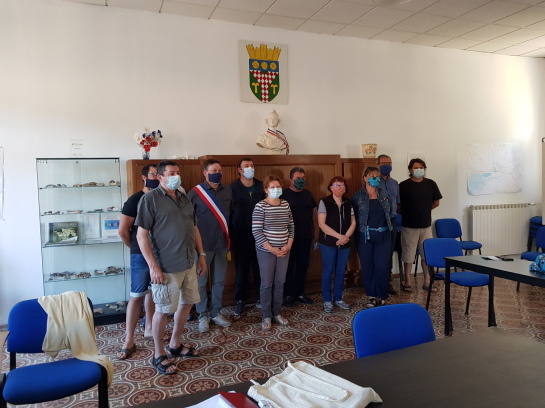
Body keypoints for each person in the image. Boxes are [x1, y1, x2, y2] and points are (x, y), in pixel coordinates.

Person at [136, 160, 207, 375]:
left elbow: (194, 228)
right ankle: (158, 354)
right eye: (171, 173)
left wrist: (201, 255)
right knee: (164, 309)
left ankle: (175, 344)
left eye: (178, 172)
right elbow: (141, 236)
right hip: (166, 266)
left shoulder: (184, 197)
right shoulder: (150, 199)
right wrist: (153, 267)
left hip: (188, 261)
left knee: (187, 303)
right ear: (160, 177)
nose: (176, 176)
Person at [117, 164, 158, 360]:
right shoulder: (135, 200)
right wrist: (135, 247)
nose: (156, 177)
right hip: (140, 254)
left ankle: (149, 327)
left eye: (158, 174)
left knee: (153, 291)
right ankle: (129, 340)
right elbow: (123, 231)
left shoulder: (162, 197)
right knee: (136, 295)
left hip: (159, 252)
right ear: (144, 177)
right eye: (153, 174)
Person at [187, 159, 232, 332]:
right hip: (202, 247)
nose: (217, 173)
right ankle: (202, 315)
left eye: (219, 170)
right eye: (214, 170)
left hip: (222, 244)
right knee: (201, 282)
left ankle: (216, 312)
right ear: (205, 173)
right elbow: (188, 219)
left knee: (219, 281)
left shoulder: (227, 190)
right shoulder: (195, 193)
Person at [252, 175, 294, 330]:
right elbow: (256, 231)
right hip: (266, 251)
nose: (276, 189)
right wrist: (272, 249)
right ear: (266, 190)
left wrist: (288, 245)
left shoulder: (286, 204)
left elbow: (291, 226)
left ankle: (277, 313)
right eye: (272, 187)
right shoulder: (260, 206)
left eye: (278, 187)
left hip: (284, 250)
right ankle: (266, 315)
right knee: (266, 284)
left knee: (280, 282)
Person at [398, 158, 442, 293]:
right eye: (416, 168)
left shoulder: (431, 184)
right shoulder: (403, 185)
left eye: (421, 167)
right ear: (410, 170)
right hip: (409, 226)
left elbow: (436, 202)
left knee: (426, 255)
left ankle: (427, 280)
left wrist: (424, 211)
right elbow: (397, 206)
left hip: (426, 225)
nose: (419, 170)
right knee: (408, 254)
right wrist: (410, 213)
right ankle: (407, 280)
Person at [352, 166, 393, 308]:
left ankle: (382, 295)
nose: (375, 178)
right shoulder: (357, 197)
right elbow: (353, 218)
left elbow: (390, 213)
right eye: (371, 176)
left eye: (377, 176)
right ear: (365, 178)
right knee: (368, 266)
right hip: (364, 236)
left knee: (382, 266)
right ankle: (371, 295)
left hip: (383, 235)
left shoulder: (385, 194)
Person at [230, 158, 265, 317]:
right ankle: (240, 300)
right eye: (246, 166)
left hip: (260, 234)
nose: (250, 168)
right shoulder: (233, 188)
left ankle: (260, 298)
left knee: (260, 268)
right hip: (240, 234)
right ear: (239, 170)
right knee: (242, 269)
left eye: (252, 165)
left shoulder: (261, 185)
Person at [317, 176, 356, 313]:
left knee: (340, 271)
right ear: (330, 187)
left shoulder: (348, 202)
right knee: (328, 271)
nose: (339, 187)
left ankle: (338, 298)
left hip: (345, 243)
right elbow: (321, 224)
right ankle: (327, 300)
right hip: (328, 242)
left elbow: (353, 222)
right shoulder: (324, 201)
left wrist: (346, 237)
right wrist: (339, 236)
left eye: (342, 185)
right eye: (336, 185)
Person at [281, 167, 318, 306]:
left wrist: (316, 233)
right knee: (288, 267)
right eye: (297, 178)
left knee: (303, 266)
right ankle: (288, 295)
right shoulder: (283, 194)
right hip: (288, 239)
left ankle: (300, 293)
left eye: (302, 178)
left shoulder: (308, 194)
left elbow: (314, 213)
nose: (300, 180)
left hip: (306, 237)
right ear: (291, 180)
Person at [377, 154, 400, 296]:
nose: (387, 165)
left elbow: (397, 203)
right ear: (378, 165)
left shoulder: (395, 183)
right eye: (383, 163)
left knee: (389, 253)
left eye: (389, 163)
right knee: (379, 253)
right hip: (378, 222)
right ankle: (377, 282)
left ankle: (388, 282)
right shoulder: (373, 182)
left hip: (391, 221)